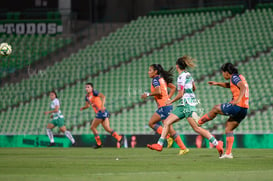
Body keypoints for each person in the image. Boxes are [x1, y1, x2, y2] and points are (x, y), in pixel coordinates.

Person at [147, 56, 224, 157]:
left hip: (186, 105)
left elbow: (180, 93)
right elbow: (194, 88)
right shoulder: (188, 75)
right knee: (167, 122)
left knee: (196, 128)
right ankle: (159, 145)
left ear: (177, 66)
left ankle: (217, 143)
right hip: (184, 104)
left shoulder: (180, 77)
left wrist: (170, 101)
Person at [197, 63, 249, 159]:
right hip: (244, 109)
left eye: (222, 73)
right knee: (229, 129)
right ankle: (228, 153)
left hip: (237, 106)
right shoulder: (239, 77)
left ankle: (199, 122)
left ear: (226, 72)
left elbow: (243, 87)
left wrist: (237, 100)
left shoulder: (234, 77)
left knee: (216, 108)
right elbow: (231, 85)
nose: (222, 75)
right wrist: (217, 83)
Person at [141, 64, 189, 155]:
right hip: (163, 107)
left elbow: (158, 91)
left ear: (155, 72)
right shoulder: (161, 79)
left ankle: (183, 147)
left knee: (170, 128)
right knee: (151, 123)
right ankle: (168, 137)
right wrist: (168, 99)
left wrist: (147, 94)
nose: (148, 72)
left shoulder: (155, 80)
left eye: (150, 70)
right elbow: (173, 88)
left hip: (164, 107)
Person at [80, 83, 122, 148]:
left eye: (88, 87)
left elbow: (103, 97)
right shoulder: (87, 97)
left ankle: (99, 143)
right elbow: (88, 105)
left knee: (93, 127)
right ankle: (119, 138)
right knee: (107, 128)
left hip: (101, 112)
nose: (87, 89)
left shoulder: (94, 92)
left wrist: (102, 106)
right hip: (104, 112)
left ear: (92, 88)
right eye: (86, 87)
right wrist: (83, 108)